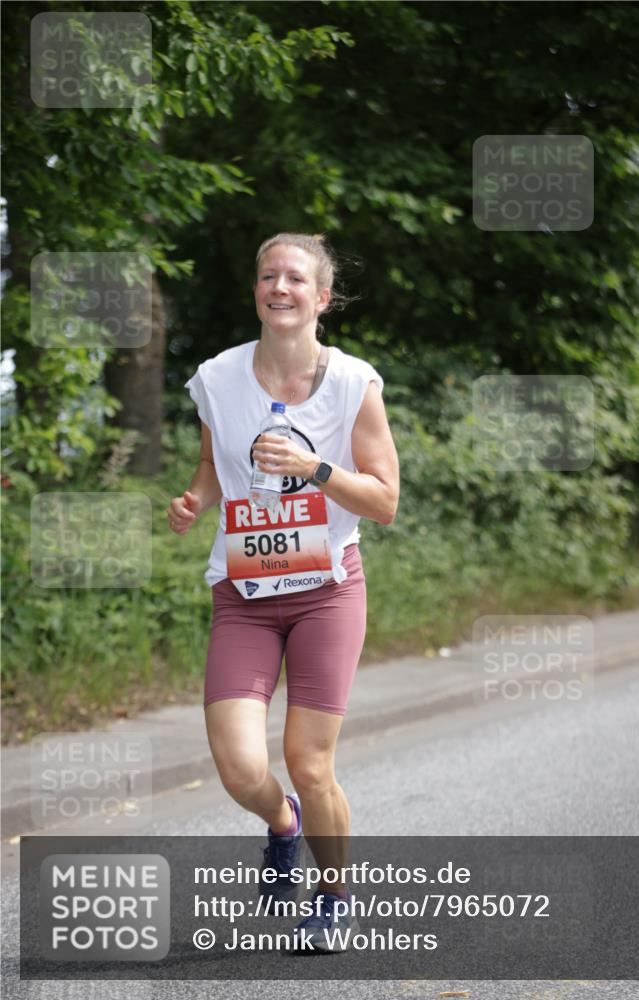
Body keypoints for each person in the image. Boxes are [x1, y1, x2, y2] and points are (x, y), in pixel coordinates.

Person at [167, 232, 399, 951]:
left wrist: (314, 468)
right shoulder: (217, 377)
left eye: (295, 277)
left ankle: (332, 898)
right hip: (243, 590)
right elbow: (213, 462)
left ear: (321, 296)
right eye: (268, 275)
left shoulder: (353, 382)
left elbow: (385, 501)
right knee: (240, 768)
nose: (280, 286)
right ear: (257, 292)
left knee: (308, 759)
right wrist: (195, 498)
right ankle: (282, 824)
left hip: (326, 590)